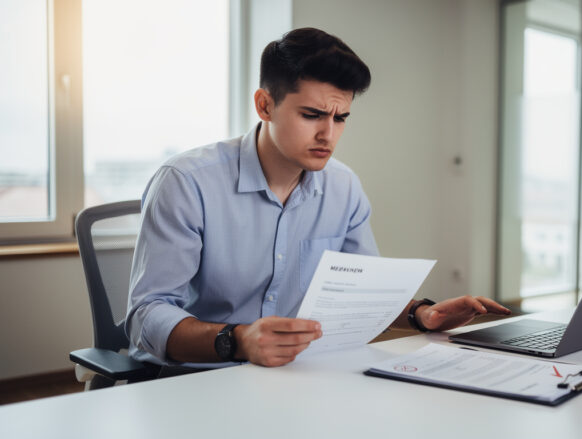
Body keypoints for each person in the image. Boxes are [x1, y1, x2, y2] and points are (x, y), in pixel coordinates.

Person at [126, 28, 510, 372]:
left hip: (298, 375)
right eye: (312, 115)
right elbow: (147, 315)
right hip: (191, 378)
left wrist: (422, 314)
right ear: (265, 105)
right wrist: (238, 340)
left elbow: (363, 292)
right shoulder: (186, 183)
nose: (328, 134)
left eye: (341, 118)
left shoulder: (343, 187)